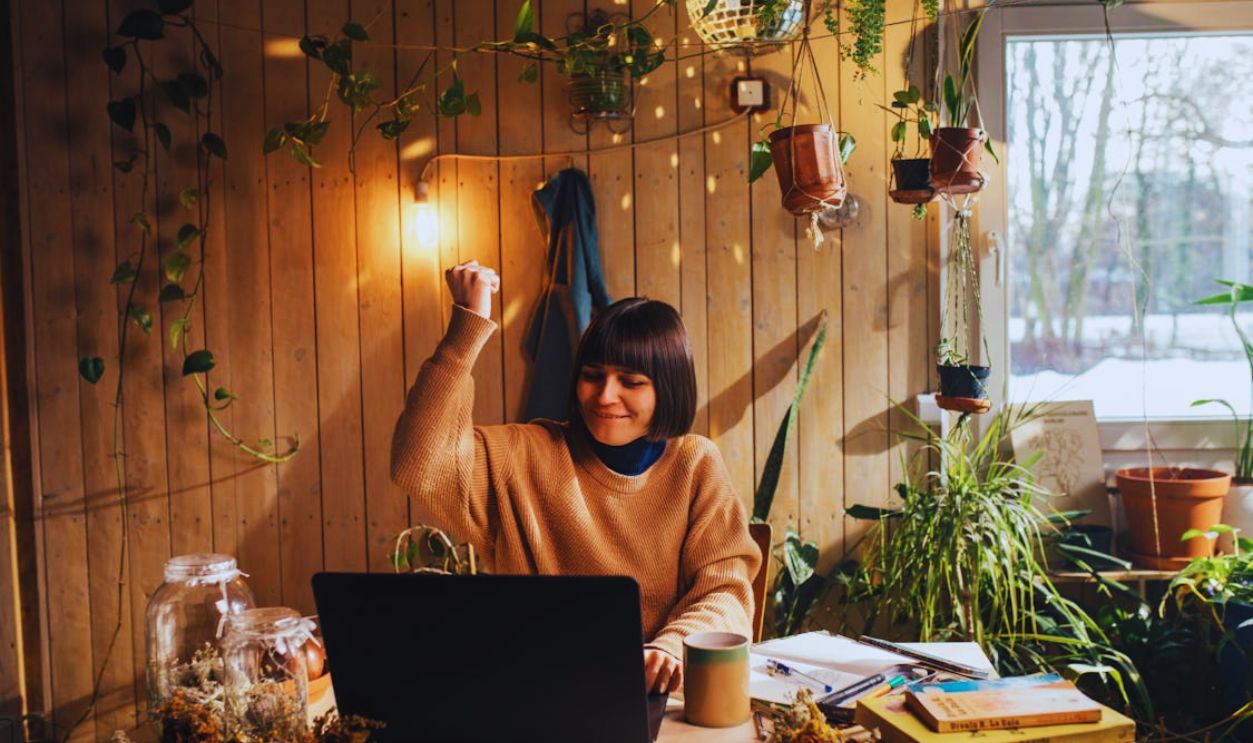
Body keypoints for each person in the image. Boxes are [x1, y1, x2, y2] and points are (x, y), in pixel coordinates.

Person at [390, 259, 761, 694]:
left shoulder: (695, 464)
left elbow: (727, 591)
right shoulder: (525, 453)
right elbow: (418, 462)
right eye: (592, 376)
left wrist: (671, 648)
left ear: (669, 388)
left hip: (655, 696)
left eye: (631, 381)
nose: (605, 396)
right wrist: (467, 327)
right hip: (537, 690)